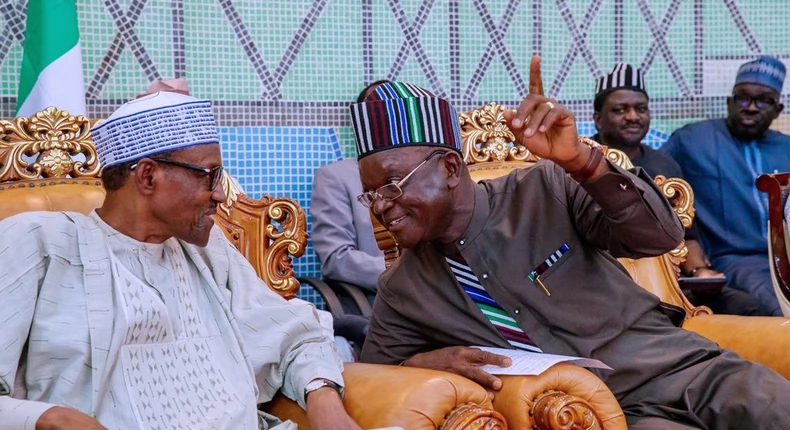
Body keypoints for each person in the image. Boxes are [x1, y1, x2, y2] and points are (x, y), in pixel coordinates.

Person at [354, 58, 790, 429]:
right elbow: (372, 379)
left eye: (392, 185)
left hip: (685, 369)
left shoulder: (545, 188)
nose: (380, 206)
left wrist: (583, 162)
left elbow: (660, 236)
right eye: (369, 194)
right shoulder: (404, 288)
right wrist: (417, 364)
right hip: (613, 414)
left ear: (450, 168)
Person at [0, 92, 361, 430]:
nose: (221, 194)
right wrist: (48, 417)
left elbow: (294, 335)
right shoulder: (40, 241)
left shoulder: (206, 250)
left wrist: (323, 398)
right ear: (147, 175)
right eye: (210, 175)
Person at [592, 62, 762, 316]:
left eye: (641, 109)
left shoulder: (664, 164)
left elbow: (687, 233)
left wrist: (699, 273)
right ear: (598, 119)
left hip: (671, 282)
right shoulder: (585, 162)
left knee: (748, 307)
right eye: (620, 110)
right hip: (604, 282)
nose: (633, 116)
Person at [661, 55, 790, 316]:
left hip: (786, 255)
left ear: (778, 109)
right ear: (729, 102)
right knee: (781, 307)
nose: (751, 107)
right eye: (743, 98)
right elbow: (652, 176)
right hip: (735, 260)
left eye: (763, 100)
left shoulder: (786, 147)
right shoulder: (692, 140)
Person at [312, 80, 390, 294]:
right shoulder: (336, 177)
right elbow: (336, 259)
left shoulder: (425, 176)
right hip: (382, 301)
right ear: (361, 125)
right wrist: (406, 274)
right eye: (378, 115)